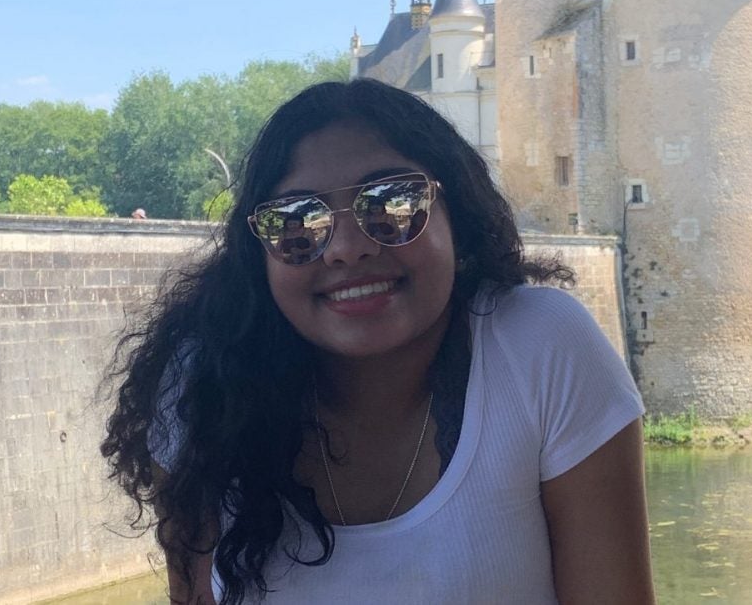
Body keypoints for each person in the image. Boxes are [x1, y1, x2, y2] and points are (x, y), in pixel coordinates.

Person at [102, 79, 653, 604]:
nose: (346, 247)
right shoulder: (199, 386)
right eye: (297, 222)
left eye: (391, 203)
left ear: (454, 213)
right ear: (259, 255)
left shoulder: (540, 347)